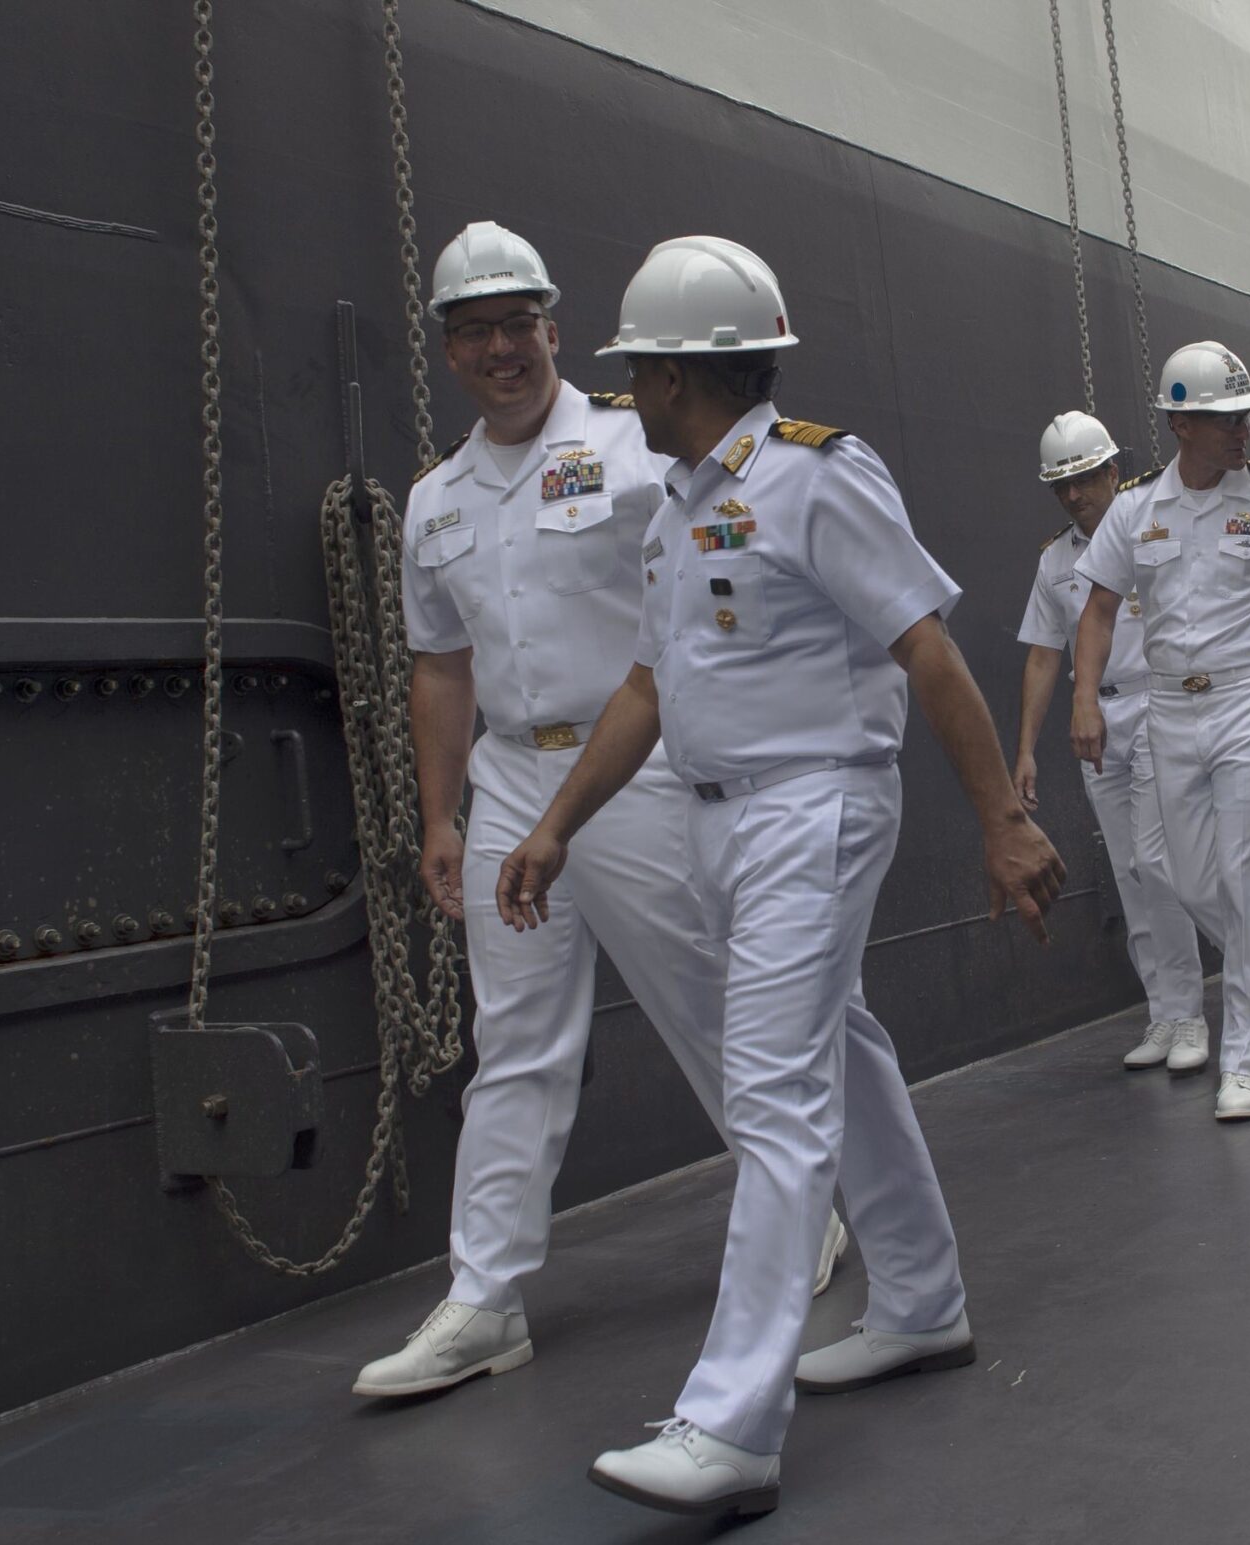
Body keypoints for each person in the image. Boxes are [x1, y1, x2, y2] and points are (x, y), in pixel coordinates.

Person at [496, 236, 1065, 1518]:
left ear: (678, 375)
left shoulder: (815, 476)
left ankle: (731, 1425)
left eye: (638, 370)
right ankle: (920, 1301)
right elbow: (648, 685)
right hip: (718, 820)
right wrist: (556, 826)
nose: (628, 391)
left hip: (814, 806)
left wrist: (1003, 822)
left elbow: (926, 650)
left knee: (771, 1092)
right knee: (836, 1049)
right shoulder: (681, 504)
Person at [359, 223, 843, 1403]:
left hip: (636, 769)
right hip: (510, 777)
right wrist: (440, 814)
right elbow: (440, 666)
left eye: (518, 324)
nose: (500, 348)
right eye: (475, 331)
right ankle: (484, 1300)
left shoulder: (635, 448)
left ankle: (806, 1213)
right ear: (448, 352)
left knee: (707, 1001)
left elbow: (720, 579)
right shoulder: (435, 501)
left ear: (553, 330)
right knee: (512, 1041)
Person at [1069, 341, 1250, 1123]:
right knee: (1180, 877)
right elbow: (1097, 609)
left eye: (1244, 416)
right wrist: (1086, 695)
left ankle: (1245, 1062)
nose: (1241, 430)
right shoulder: (1135, 509)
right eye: (1223, 418)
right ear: (1181, 423)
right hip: (1167, 707)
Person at [1013, 410, 1211, 1069]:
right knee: (1131, 873)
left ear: (1112, 473)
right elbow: (1045, 656)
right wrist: (1025, 749)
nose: (1073, 495)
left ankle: (1195, 1015)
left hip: (1162, 710)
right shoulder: (1054, 562)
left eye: (1084, 479)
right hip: (1096, 722)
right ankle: (1165, 1010)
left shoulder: (1151, 531)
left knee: (1162, 864)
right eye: (1060, 485)